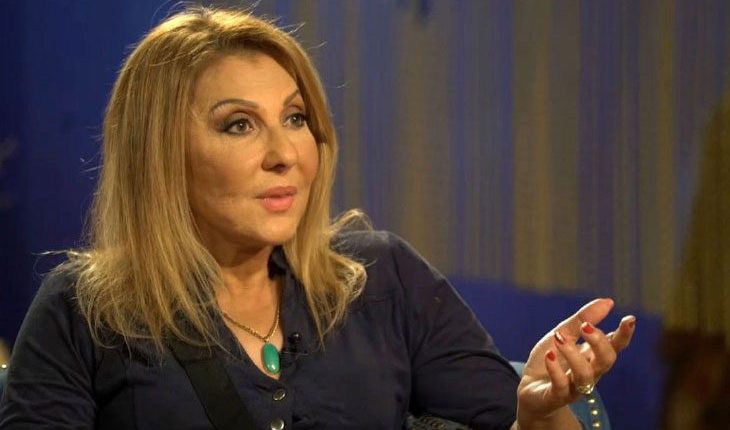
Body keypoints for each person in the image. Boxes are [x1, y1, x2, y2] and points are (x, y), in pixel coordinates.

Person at [0, 6, 635, 429]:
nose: (286, 154)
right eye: (239, 125)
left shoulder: (383, 279)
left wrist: (541, 415)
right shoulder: (84, 311)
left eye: (296, 117)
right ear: (160, 154)